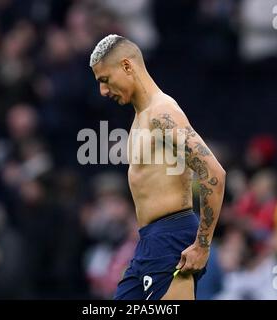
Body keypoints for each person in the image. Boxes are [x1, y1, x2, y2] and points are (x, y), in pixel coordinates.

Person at [89, 34, 226, 300]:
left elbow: (213, 173)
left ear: (127, 66)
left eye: (105, 80)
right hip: (149, 242)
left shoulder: (162, 113)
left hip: (172, 239)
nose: (103, 91)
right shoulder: (142, 117)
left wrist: (202, 245)